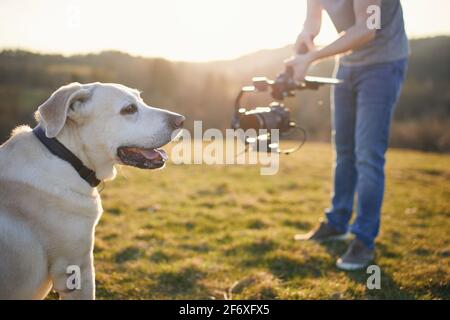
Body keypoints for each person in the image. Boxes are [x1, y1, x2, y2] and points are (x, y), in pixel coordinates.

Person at [288, 0, 409, 270]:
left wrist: (312, 57)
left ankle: (364, 239)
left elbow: (368, 28)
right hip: (347, 65)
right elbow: (312, 19)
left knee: (367, 155)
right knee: (344, 151)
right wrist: (305, 40)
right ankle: (337, 222)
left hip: (383, 64)